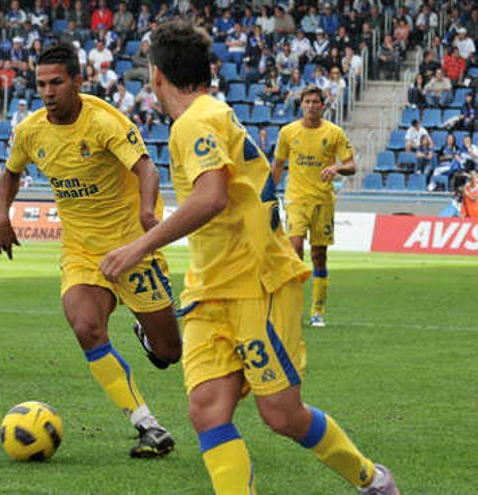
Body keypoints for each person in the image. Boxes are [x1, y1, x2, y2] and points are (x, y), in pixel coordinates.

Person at [99, 19, 399, 495]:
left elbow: (213, 195)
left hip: (256, 286)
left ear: (156, 75)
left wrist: (139, 246)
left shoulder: (195, 121)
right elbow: (221, 197)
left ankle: (372, 479)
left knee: (281, 414)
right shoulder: (208, 115)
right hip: (209, 288)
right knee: (207, 411)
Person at [0, 43, 180, 458]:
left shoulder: (105, 122)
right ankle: (147, 425)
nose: (47, 91)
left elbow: (147, 167)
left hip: (132, 246)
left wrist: (148, 213)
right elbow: (10, 173)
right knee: (86, 328)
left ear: (78, 81)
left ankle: (148, 335)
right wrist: (2, 217)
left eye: (56, 82)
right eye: (41, 83)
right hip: (80, 250)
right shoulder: (30, 130)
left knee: (169, 353)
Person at [273, 86, 357, 328]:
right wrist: (269, 191)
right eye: (307, 101)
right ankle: (293, 307)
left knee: (319, 256)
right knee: (295, 248)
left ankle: (317, 311)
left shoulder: (334, 133)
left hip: (323, 201)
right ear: (301, 105)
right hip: (296, 199)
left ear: (323, 105)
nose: (311, 105)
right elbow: (278, 164)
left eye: (315, 102)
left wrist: (337, 168)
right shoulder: (288, 132)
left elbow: (351, 165)